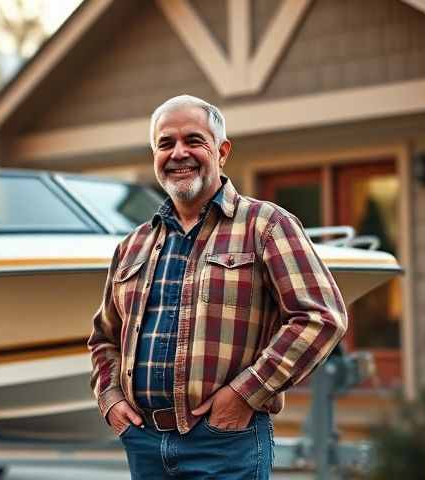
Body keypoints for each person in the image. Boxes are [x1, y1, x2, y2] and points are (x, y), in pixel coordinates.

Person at [87, 95, 347, 479]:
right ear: (154, 155)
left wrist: (244, 395)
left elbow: (321, 317)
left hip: (225, 441)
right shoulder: (133, 245)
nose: (179, 153)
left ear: (222, 151)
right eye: (165, 143)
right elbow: (104, 338)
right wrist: (110, 399)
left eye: (193, 141)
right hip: (144, 443)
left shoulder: (266, 225)